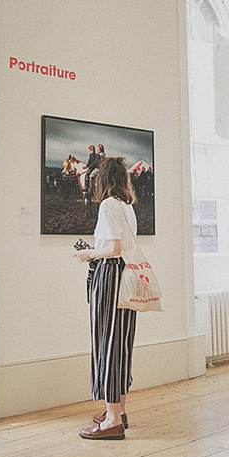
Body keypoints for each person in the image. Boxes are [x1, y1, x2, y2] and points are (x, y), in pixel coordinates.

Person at [73, 157, 139, 440]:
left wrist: (88, 253)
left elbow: (113, 248)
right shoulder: (127, 206)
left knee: (107, 343)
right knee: (121, 342)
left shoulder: (108, 205)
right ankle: (119, 410)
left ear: (103, 178)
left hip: (110, 276)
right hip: (126, 276)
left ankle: (112, 420)